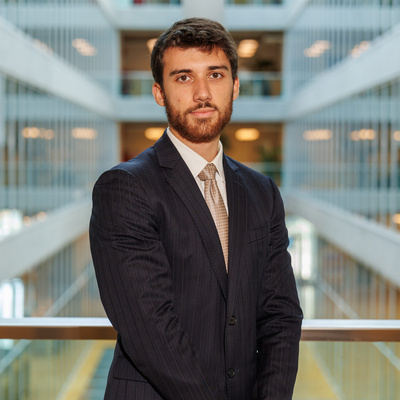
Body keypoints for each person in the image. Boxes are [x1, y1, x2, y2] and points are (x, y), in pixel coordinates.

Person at [89, 17, 303, 400]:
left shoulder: (262, 192)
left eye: (215, 75)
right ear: (159, 93)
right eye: (184, 77)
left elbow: (280, 315)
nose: (202, 93)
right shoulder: (124, 188)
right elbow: (150, 329)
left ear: (235, 86)